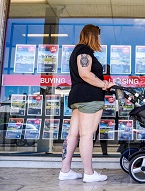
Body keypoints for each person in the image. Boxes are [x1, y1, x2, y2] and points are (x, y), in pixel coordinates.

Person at [58, 24, 115, 183]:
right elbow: (85, 74)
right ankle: (89, 173)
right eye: (98, 36)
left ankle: (65, 170)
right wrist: (104, 85)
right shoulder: (85, 52)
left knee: (73, 135)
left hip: (77, 97)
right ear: (93, 36)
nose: (100, 39)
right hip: (89, 98)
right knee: (87, 135)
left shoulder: (76, 51)